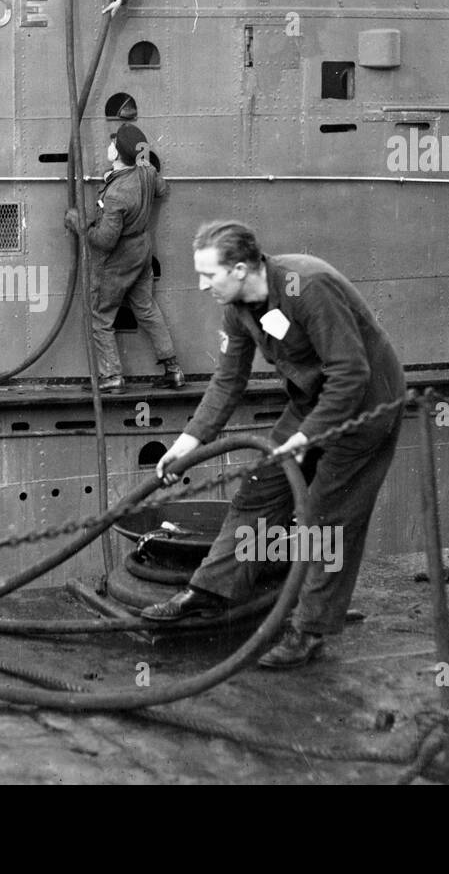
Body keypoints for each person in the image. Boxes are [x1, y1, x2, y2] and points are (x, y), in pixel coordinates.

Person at [140, 221, 404, 670]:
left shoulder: (309, 287)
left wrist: (306, 437)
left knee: (325, 514)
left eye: (209, 275)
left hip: (366, 403)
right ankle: (211, 591)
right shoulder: (238, 306)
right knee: (261, 488)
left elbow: (351, 373)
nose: (203, 285)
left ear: (241, 269)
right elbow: (228, 381)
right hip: (314, 400)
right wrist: (188, 442)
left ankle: (310, 629)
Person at [64, 122, 184, 393]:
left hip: (118, 260)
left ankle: (112, 376)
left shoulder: (117, 195)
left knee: (99, 315)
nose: (108, 146)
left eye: (112, 143)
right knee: (146, 308)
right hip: (141, 252)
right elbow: (162, 189)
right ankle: (173, 370)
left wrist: (80, 224)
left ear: (117, 154)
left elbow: (105, 241)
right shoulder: (147, 172)